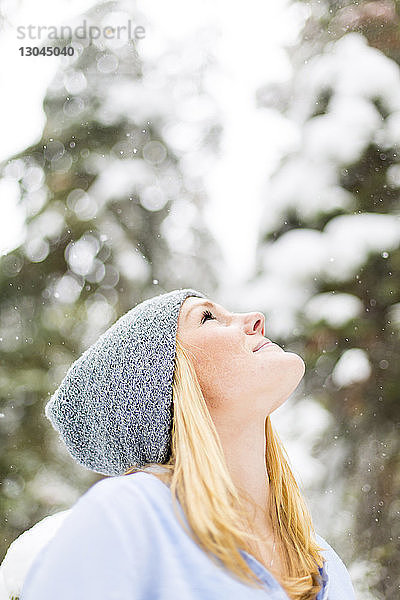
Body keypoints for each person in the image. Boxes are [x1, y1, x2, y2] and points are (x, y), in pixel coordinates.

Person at [20, 288, 356, 600]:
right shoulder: (128, 517)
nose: (255, 318)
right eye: (207, 318)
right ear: (158, 385)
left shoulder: (320, 561)